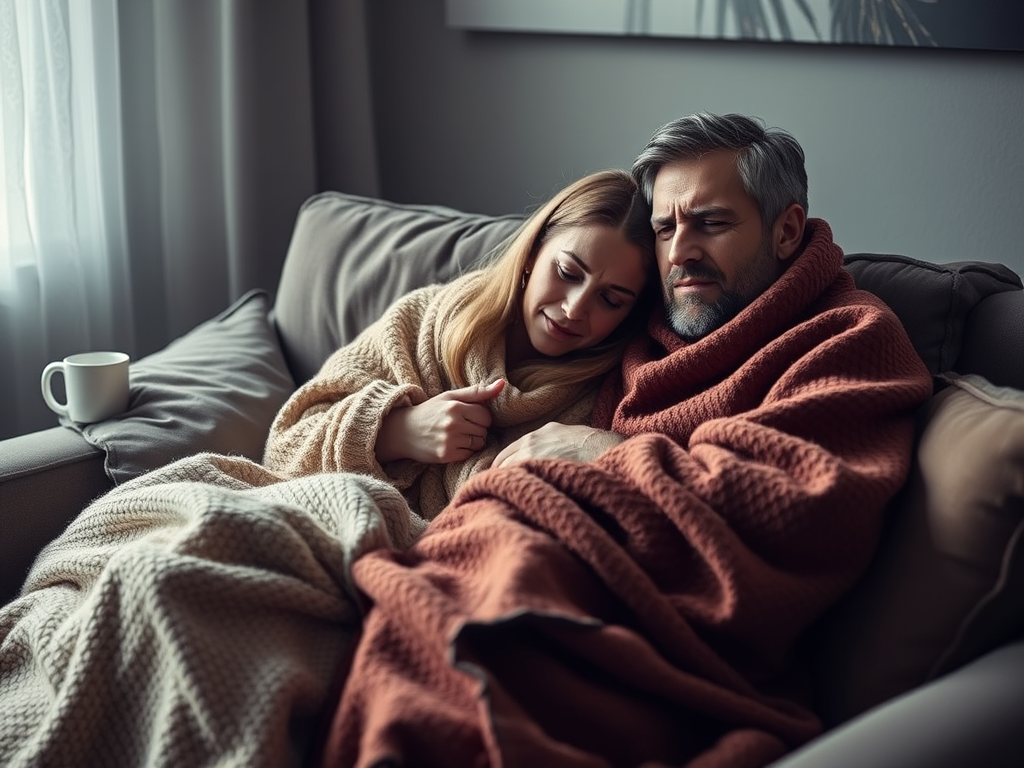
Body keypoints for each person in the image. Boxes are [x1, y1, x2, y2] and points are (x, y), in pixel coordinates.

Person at [314, 114, 935, 768]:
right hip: (497, 553)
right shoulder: (640, 335)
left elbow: (804, 502)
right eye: (666, 228)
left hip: (645, 620)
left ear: (785, 229)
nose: (680, 252)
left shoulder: (851, 339)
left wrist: (598, 453)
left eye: (712, 224)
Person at [263, 168, 657, 521]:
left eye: (611, 299)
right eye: (568, 272)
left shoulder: (609, 393)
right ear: (532, 253)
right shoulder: (421, 321)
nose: (574, 309)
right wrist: (397, 431)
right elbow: (283, 448)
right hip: (317, 510)